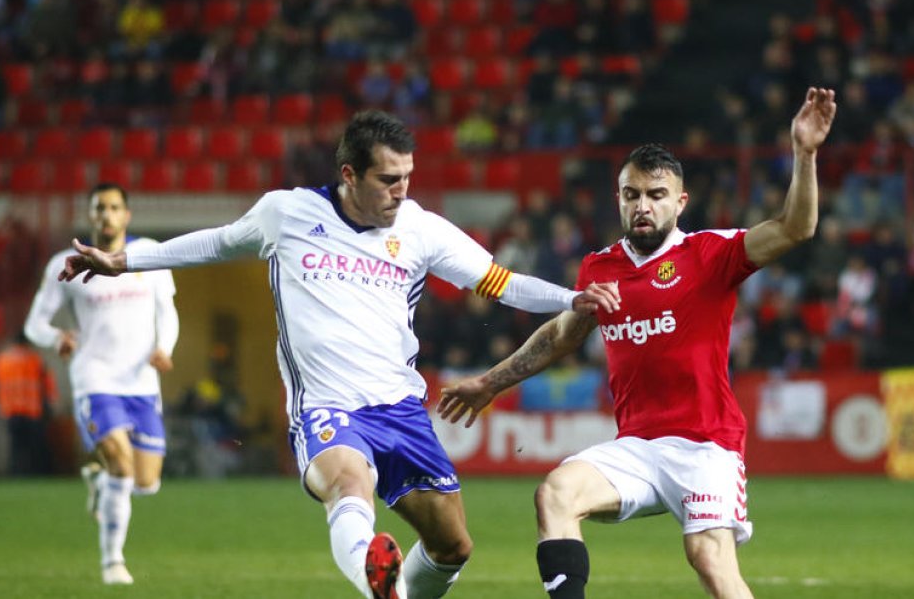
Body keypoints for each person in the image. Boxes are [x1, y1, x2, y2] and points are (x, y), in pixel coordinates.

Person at [58, 111, 621, 599]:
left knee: (452, 546)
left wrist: (571, 298)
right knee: (349, 488)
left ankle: (396, 590)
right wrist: (122, 262)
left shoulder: (420, 229)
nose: (401, 191)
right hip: (326, 406)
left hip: (400, 408)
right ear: (349, 175)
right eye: (388, 180)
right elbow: (214, 242)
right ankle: (373, 575)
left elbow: (501, 282)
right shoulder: (288, 214)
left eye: (407, 178)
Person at [439, 87, 836, 599]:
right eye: (632, 195)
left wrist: (804, 154)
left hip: (706, 444)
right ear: (619, 199)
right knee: (555, 494)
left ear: (680, 201)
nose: (643, 206)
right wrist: (490, 384)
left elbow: (796, 228)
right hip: (637, 449)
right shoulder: (599, 268)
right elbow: (560, 336)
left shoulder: (711, 254)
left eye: (656, 195)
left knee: (710, 560)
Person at [24, 182, 179, 585]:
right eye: (99, 208)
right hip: (95, 378)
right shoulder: (66, 264)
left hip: (141, 383)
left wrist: (165, 347)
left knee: (146, 483)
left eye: (113, 207)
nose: (106, 215)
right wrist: (57, 337)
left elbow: (169, 313)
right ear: (90, 216)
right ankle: (113, 561)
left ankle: (99, 480)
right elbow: (34, 324)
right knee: (123, 467)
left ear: (127, 215)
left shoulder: (149, 258)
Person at [0, 330, 58, 475]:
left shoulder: (2, 359)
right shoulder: (34, 359)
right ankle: (39, 473)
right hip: (32, 409)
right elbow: (47, 382)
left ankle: (16, 472)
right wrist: (50, 403)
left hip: (10, 410)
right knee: (36, 445)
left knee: (16, 446)